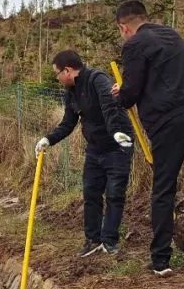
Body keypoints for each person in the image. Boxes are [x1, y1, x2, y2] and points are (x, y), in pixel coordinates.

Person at [111, 0, 184, 277]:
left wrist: (120, 92)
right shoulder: (171, 34)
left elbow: (130, 93)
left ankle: (161, 260)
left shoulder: (133, 45)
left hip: (169, 122)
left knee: (164, 188)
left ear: (124, 27)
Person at [36, 50, 134, 257]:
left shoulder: (97, 79)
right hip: (95, 149)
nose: (57, 78)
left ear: (68, 70)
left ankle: (109, 242)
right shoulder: (70, 92)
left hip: (117, 146)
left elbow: (110, 106)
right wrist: (48, 139)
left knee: (115, 194)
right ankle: (93, 239)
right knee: (91, 193)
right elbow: (68, 123)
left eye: (57, 73)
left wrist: (117, 131)